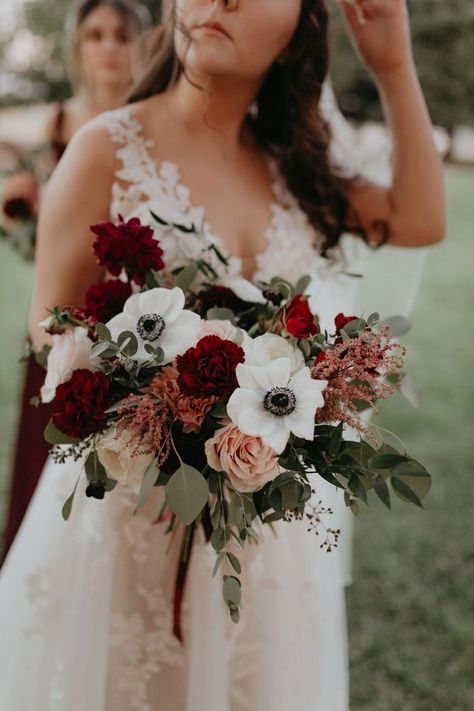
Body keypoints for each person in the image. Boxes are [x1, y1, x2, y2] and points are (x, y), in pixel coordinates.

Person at [0, 1, 446, 708]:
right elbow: (48, 328)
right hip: (131, 520)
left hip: (266, 546)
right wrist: (169, 413)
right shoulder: (105, 148)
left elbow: (422, 218)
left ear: (302, 24)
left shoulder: (299, 171)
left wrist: (392, 64)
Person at [1, 0, 150, 561]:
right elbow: (30, 227)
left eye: (121, 35)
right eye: (95, 35)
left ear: (143, 44)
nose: (109, 47)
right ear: (78, 47)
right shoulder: (58, 126)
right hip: (59, 323)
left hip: (133, 321)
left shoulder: (150, 121)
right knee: (48, 464)